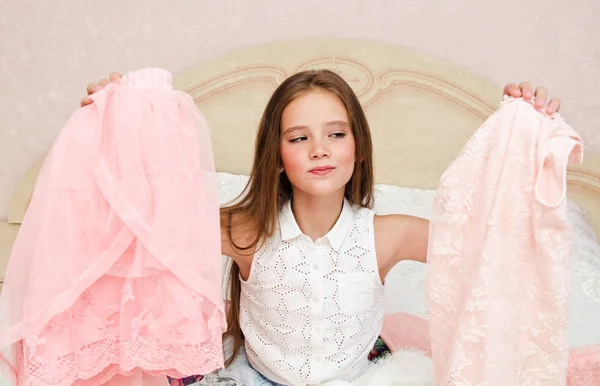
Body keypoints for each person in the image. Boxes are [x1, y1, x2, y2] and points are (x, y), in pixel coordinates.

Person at [81, 69, 562, 385]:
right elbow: (143, 228)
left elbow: (491, 245)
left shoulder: (387, 234)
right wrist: (116, 129)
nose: (320, 149)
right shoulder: (246, 230)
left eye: (336, 134)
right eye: (299, 138)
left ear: (358, 148)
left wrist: (522, 143)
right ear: (276, 158)